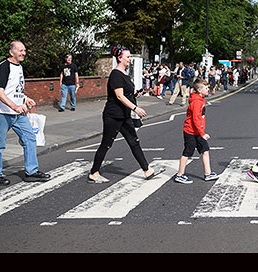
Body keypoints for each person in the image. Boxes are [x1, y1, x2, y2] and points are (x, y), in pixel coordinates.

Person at [87, 45, 164, 183]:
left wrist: (135, 94)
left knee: (134, 142)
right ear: (119, 58)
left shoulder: (124, 74)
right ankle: (94, 173)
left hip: (124, 116)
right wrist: (135, 108)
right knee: (106, 144)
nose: (130, 59)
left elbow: (126, 94)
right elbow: (119, 97)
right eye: (127, 57)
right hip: (113, 116)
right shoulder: (116, 74)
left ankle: (147, 170)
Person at [0, 41, 50, 186]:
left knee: (30, 139)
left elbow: (16, 90)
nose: (23, 53)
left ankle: (31, 172)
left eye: (24, 50)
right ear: (11, 52)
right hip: (4, 113)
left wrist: (26, 99)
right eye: (20, 50)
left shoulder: (19, 67)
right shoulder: (3, 67)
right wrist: (15, 106)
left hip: (19, 113)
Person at [173, 78, 220, 184]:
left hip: (197, 132)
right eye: (206, 88)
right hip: (191, 132)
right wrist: (202, 133)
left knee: (205, 149)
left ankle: (208, 173)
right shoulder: (196, 102)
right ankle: (180, 175)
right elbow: (195, 119)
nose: (208, 89)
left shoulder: (200, 100)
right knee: (187, 152)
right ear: (199, 90)